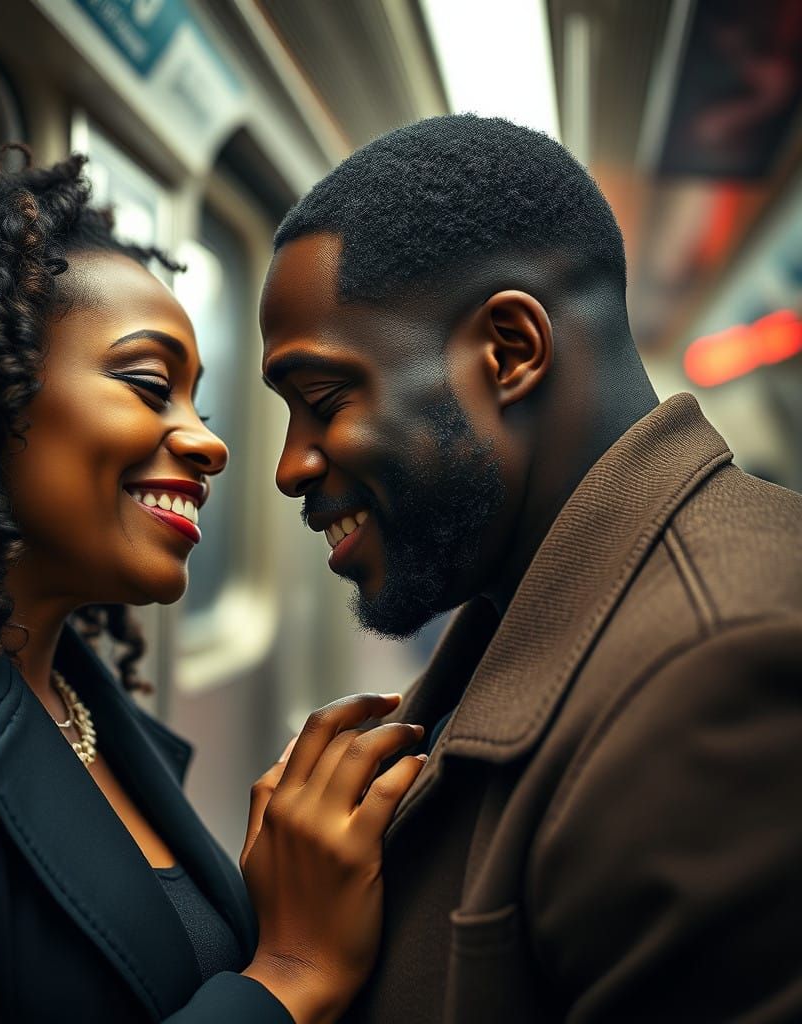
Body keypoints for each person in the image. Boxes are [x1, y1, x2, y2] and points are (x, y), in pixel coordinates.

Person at [0, 146, 429, 1023]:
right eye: (149, 385)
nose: (208, 443)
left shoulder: (75, 692)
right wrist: (291, 977)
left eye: (197, 401)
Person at [260, 115, 802, 1022]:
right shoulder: (532, 612)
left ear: (508, 352)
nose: (290, 466)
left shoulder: (723, 673)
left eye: (323, 401)